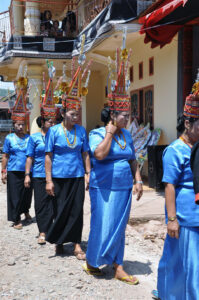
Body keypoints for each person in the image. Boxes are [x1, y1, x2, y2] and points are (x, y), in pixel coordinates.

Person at [83, 44, 143, 284]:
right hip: (102, 187)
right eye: (123, 116)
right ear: (112, 115)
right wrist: (109, 133)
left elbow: (132, 159)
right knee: (102, 224)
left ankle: (118, 266)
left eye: (128, 115)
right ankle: (92, 260)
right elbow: (99, 155)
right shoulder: (97, 133)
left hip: (123, 187)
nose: (127, 119)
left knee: (119, 226)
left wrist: (138, 180)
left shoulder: (127, 136)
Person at [45, 53, 92, 258]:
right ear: (63, 113)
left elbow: (85, 153)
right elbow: (48, 157)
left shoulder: (81, 131)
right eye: (73, 113)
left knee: (77, 210)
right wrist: (48, 180)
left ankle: (76, 244)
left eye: (78, 113)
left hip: (76, 176)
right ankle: (58, 241)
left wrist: (88, 173)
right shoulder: (54, 132)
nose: (76, 116)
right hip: (58, 175)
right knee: (60, 209)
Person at [156, 80, 199, 299]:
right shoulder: (175, 150)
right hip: (185, 216)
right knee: (186, 264)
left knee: (189, 263)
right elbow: (169, 185)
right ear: (188, 124)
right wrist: (172, 218)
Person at [24, 72, 57, 244]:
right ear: (42, 122)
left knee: (55, 203)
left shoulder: (58, 135)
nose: (52, 122)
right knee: (41, 203)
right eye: (49, 120)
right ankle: (43, 231)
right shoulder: (35, 138)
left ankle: (54, 230)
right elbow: (29, 157)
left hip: (55, 174)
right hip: (38, 174)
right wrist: (27, 175)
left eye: (53, 120)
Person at [1, 77, 32, 229]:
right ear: (14, 124)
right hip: (13, 170)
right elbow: (5, 155)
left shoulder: (29, 138)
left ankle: (26, 211)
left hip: (27, 170)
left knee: (27, 194)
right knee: (15, 195)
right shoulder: (9, 138)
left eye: (22, 124)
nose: (20, 127)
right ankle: (16, 219)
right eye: (18, 124)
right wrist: (3, 171)